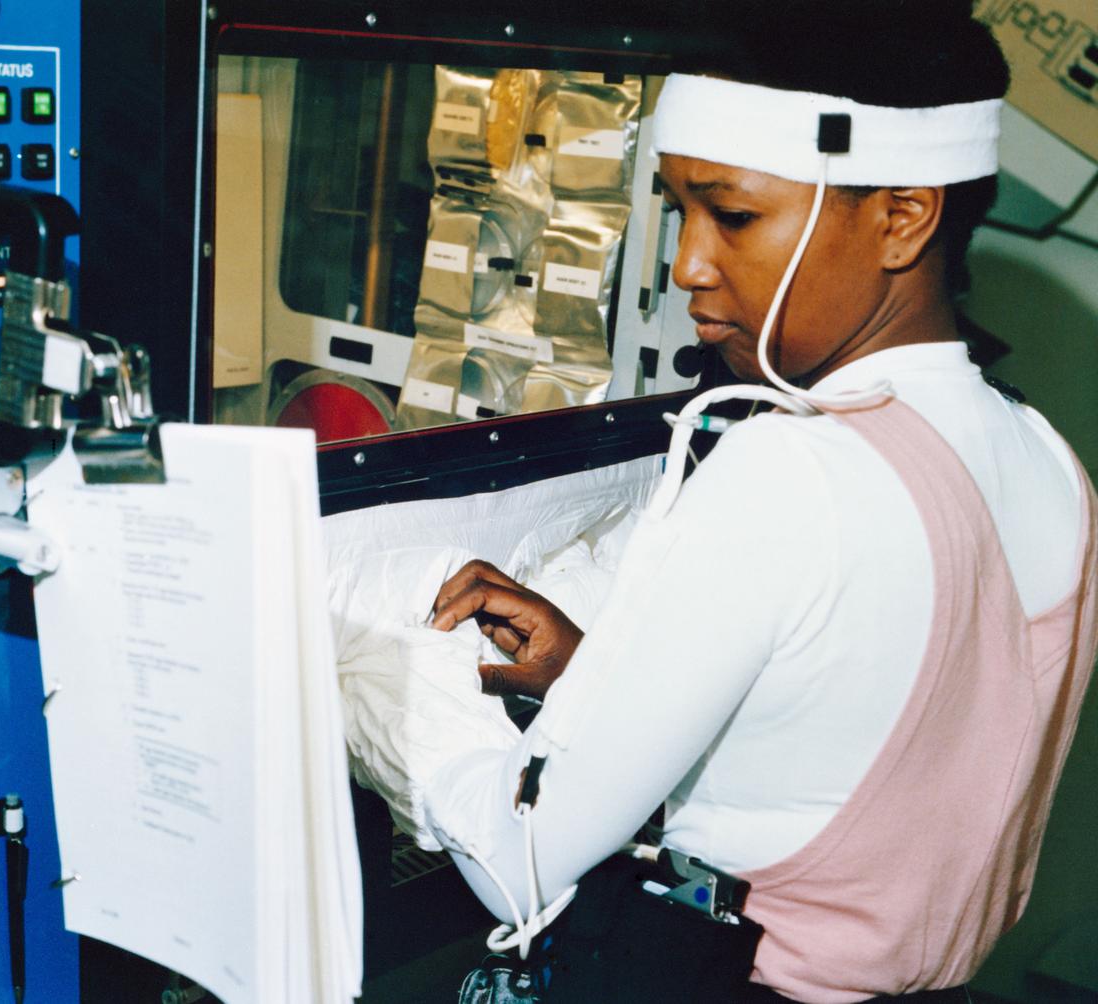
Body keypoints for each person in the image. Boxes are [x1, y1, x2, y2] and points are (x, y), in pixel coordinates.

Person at [420, 3, 1098, 1000]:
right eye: (676, 209)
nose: (687, 262)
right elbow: (848, 744)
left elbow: (516, 861)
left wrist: (405, 699)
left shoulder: (791, 467)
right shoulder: (1043, 454)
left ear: (901, 217)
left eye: (729, 213)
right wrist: (597, 676)